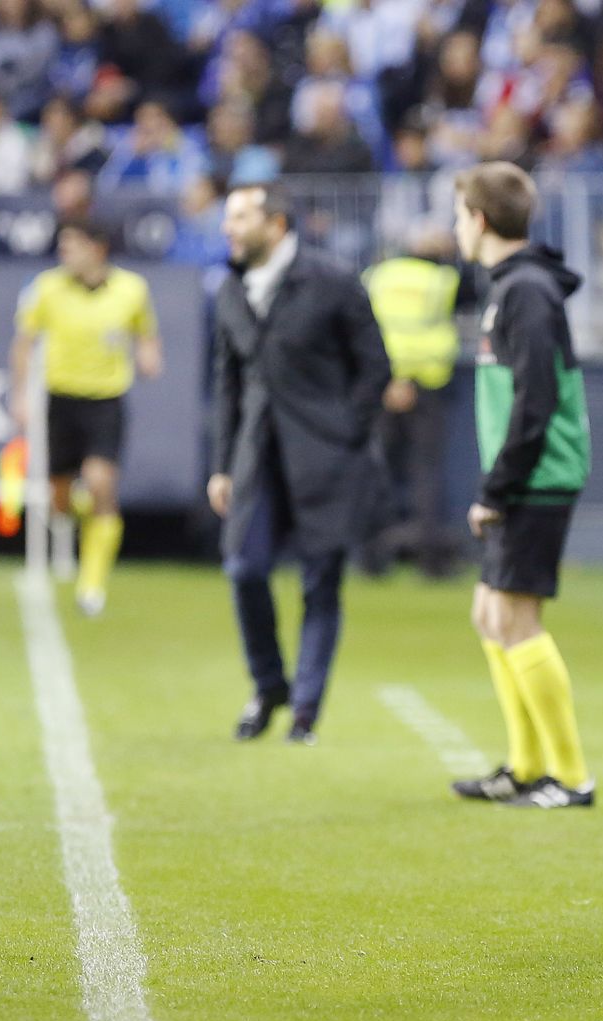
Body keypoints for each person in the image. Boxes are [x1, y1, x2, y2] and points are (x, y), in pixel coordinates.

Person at [209, 182, 391, 745]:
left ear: (277, 224)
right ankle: (269, 687)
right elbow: (228, 385)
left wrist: (346, 436)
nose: (229, 228)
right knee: (244, 568)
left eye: (240, 216)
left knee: (320, 586)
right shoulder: (230, 289)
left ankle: (306, 709)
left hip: (326, 459)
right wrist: (222, 464)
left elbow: (375, 367)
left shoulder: (333, 281)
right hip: (257, 457)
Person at [446, 161, 595, 810]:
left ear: (478, 219)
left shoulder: (527, 290)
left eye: (458, 215)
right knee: (490, 613)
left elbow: (535, 402)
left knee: (515, 616)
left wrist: (497, 487)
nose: (456, 228)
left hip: (537, 476)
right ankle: (526, 764)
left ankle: (570, 775)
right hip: (523, 475)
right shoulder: (512, 286)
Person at [10, 219, 163, 616]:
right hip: (61, 399)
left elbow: (145, 333)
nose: (65, 254)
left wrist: (148, 355)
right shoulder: (46, 288)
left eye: (72, 246)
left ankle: (92, 584)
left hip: (105, 400)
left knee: (101, 483)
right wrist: (21, 395)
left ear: (97, 248)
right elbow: (24, 344)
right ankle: (80, 513)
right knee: (59, 502)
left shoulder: (132, 289)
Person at [362, 227, 465, 578]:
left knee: (379, 470)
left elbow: (366, 330)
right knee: (426, 472)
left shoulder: (377, 277)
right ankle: (431, 559)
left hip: (385, 383)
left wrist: (391, 380)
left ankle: (371, 557)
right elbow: (471, 292)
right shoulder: (442, 279)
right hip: (428, 383)